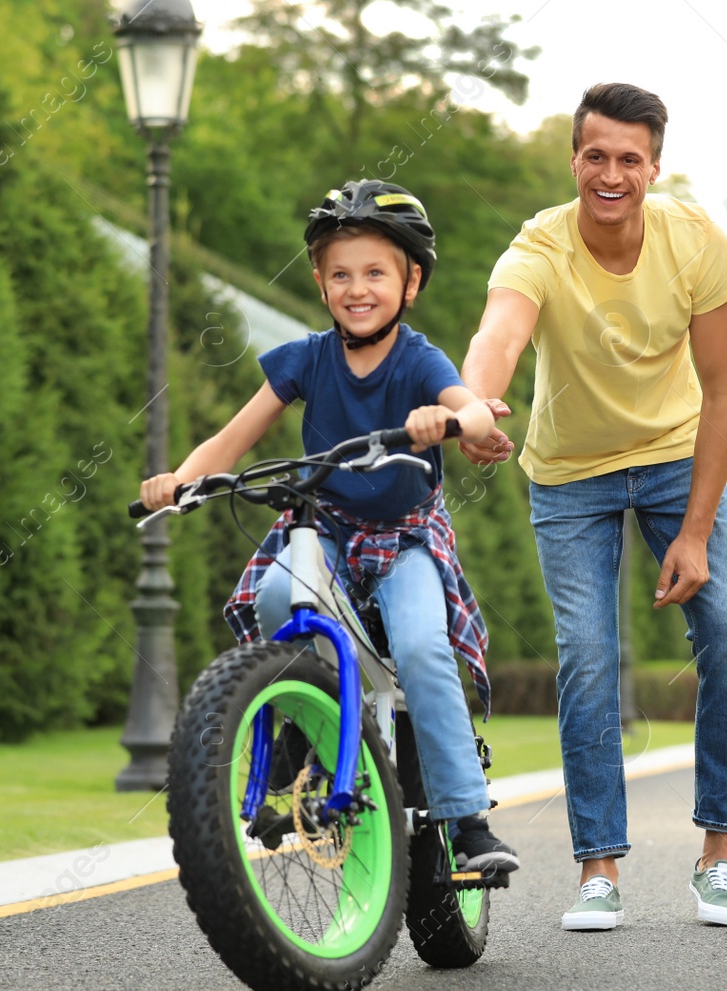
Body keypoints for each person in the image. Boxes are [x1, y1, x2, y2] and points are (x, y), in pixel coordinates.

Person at [140, 179, 519, 873]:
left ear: (411, 284)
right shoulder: (308, 358)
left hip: (403, 536)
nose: (357, 287)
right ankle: (305, 724)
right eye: (340, 273)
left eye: (376, 272)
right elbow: (231, 439)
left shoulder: (417, 359)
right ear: (319, 283)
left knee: (421, 647)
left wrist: (454, 419)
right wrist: (179, 480)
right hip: (328, 530)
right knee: (275, 602)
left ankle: (467, 820)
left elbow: (473, 407)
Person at [458, 83, 727, 928]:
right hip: (570, 473)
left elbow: (726, 387)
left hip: (674, 458)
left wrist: (696, 530)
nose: (612, 174)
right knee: (588, 655)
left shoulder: (692, 238)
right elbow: (500, 334)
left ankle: (720, 853)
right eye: (597, 156)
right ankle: (599, 869)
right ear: (575, 160)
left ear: (654, 166)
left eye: (631, 158)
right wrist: (477, 403)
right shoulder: (539, 246)